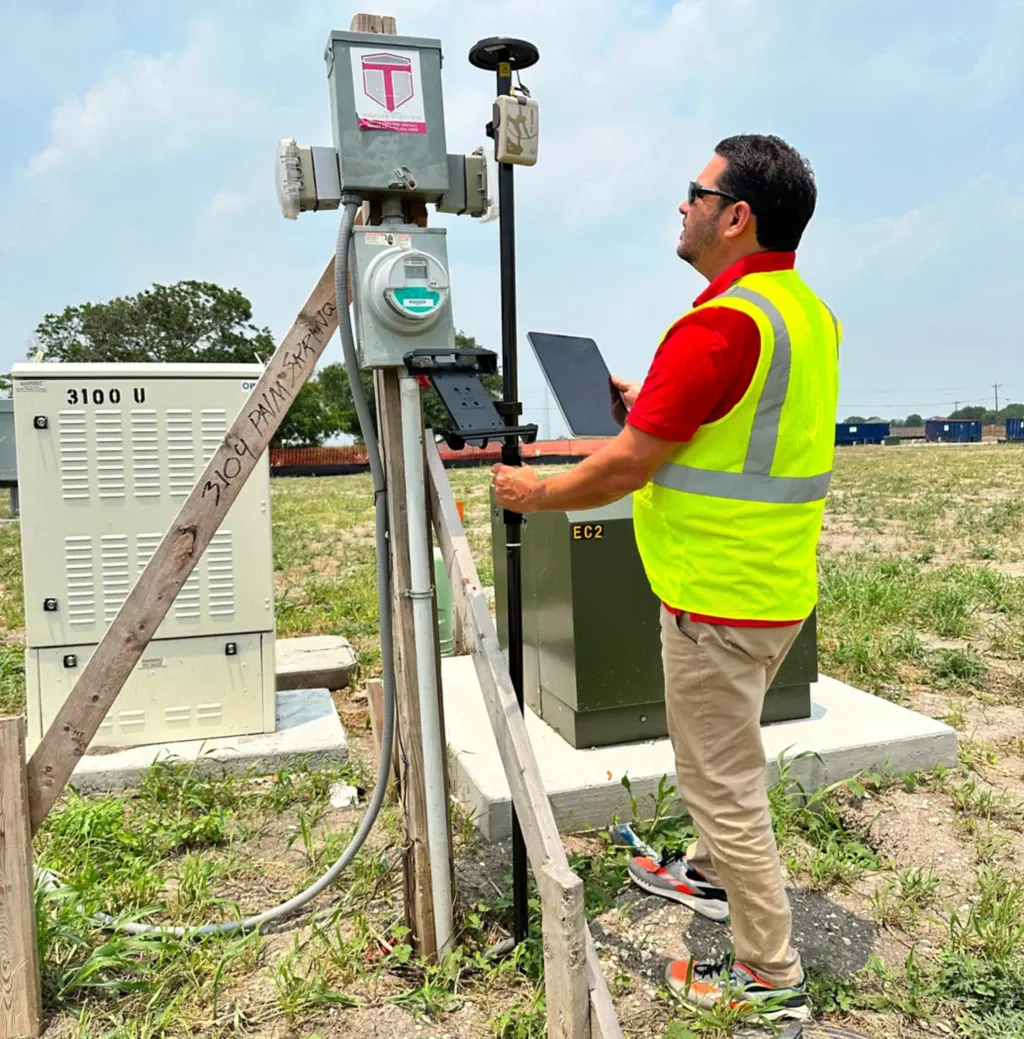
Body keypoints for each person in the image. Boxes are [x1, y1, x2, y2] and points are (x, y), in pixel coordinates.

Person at [491, 133, 839, 1022]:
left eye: (695, 192)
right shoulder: (801, 312)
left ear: (736, 216)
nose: (680, 206)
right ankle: (712, 876)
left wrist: (534, 492)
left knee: (720, 785)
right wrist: (653, 393)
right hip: (773, 592)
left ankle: (770, 976)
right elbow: (742, 417)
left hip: (715, 603)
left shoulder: (719, 325)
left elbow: (624, 467)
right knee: (729, 758)